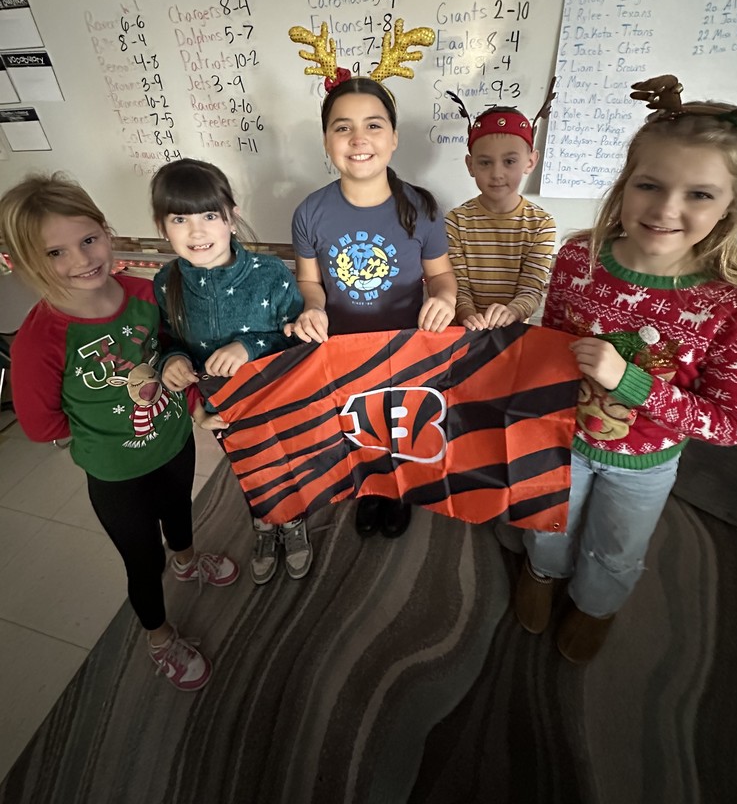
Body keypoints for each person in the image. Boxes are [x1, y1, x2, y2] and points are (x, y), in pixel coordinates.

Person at [511, 74, 737, 663]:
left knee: (618, 549)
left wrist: (629, 381)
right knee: (547, 518)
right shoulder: (579, 256)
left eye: (700, 194)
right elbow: (552, 340)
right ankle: (542, 573)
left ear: (736, 203)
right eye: (649, 184)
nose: (666, 209)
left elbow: (729, 424)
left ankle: (596, 604)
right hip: (561, 439)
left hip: (646, 465)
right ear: (626, 183)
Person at [0, 173, 239, 692]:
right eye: (55, 253)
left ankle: (188, 560)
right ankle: (159, 636)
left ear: (107, 231)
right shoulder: (38, 340)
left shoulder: (145, 292)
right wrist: (104, 426)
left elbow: (178, 355)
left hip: (174, 442)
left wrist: (192, 405)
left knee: (180, 513)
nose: (81, 260)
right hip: (114, 474)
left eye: (88, 240)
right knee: (141, 559)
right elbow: (42, 426)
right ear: (26, 265)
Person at [288, 74, 458, 538]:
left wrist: (444, 297)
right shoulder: (310, 212)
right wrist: (313, 308)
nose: (358, 139)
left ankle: (397, 491)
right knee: (355, 427)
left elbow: (441, 275)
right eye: (342, 127)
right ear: (326, 140)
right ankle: (370, 490)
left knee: (400, 428)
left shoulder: (421, 207)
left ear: (394, 137)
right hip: (342, 350)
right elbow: (310, 281)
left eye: (374, 125)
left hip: (406, 350)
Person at [149, 158, 309, 587]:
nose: (197, 231)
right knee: (246, 466)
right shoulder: (165, 282)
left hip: (277, 400)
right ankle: (263, 519)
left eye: (208, 215)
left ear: (231, 218)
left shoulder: (270, 274)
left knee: (284, 462)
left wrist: (249, 346)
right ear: (163, 228)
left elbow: (299, 343)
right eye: (179, 218)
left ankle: (292, 520)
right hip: (224, 409)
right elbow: (167, 343)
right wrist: (173, 363)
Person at [445, 102, 556, 330]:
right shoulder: (455, 221)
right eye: (485, 162)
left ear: (530, 162)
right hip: (465, 330)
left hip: (512, 333)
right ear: (470, 165)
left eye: (509, 162)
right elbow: (458, 286)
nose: (497, 173)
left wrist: (512, 312)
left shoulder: (541, 224)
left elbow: (531, 289)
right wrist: (468, 315)